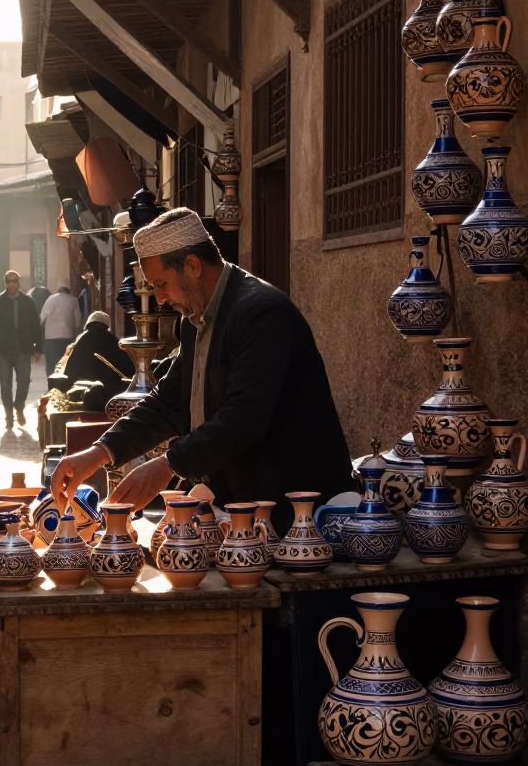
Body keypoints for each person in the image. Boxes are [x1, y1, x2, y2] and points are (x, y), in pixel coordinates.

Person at [50, 208, 354, 538]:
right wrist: (99, 452)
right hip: (244, 513)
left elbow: (244, 418)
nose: (160, 298)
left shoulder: (261, 313)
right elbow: (168, 401)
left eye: (162, 284)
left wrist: (167, 466)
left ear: (193, 266)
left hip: (298, 515)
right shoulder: (194, 322)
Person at [0, 270, 43, 429]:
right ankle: (9, 415)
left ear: (18, 282)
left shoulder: (28, 301)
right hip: (3, 349)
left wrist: (38, 347)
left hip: (23, 348)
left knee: (24, 381)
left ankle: (19, 406)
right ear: (5, 283)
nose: (12, 284)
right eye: (9, 281)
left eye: (14, 281)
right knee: (5, 384)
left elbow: (35, 325)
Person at [62, 311, 135, 388]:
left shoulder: (82, 339)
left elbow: (70, 369)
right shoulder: (111, 339)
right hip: (108, 387)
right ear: (107, 325)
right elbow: (127, 367)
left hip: (81, 386)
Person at [39, 284, 84, 372]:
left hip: (51, 337)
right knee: (66, 363)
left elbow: (42, 318)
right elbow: (78, 320)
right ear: (68, 291)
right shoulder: (73, 300)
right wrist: (77, 334)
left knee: (51, 365)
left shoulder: (50, 299)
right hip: (67, 336)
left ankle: (52, 382)